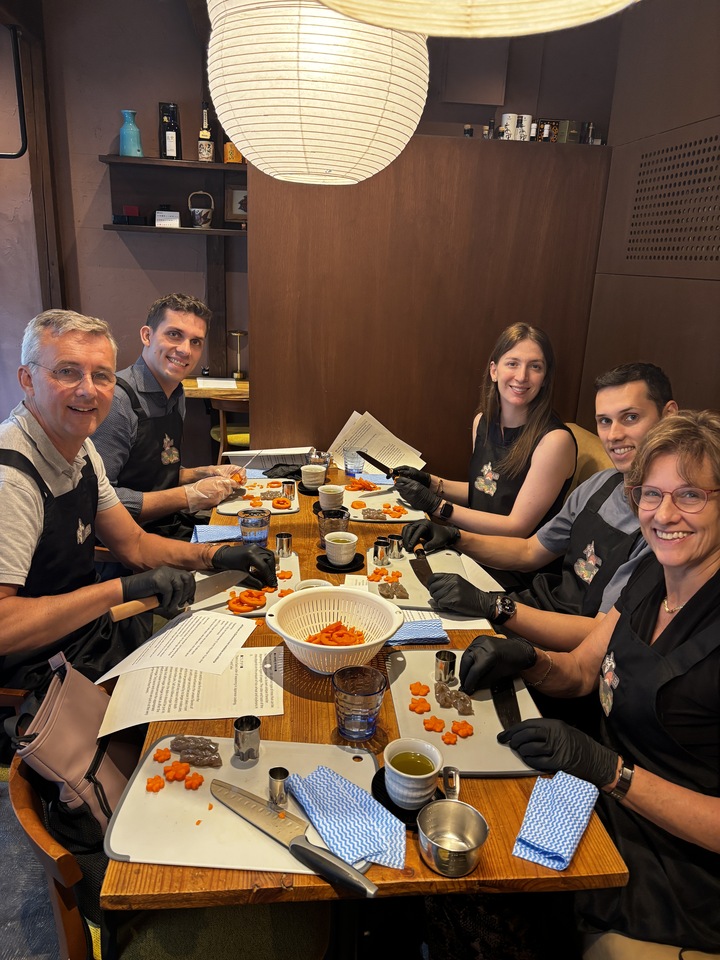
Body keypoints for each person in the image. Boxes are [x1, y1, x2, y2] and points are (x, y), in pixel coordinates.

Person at [456, 410, 720, 956]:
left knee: (490, 889)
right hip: (601, 793)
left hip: (676, 861)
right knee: (462, 824)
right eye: (651, 494)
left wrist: (610, 772)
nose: (664, 514)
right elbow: (581, 670)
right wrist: (527, 660)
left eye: (691, 496)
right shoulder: (653, 575)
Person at [0, 310, 275, 709]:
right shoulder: (11, 479)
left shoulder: (81, 449)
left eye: (101, 376)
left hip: (89, 634)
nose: (87, 390)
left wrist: (215, 555)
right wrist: (121, 589)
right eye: (67, 372)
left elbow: (134, 545)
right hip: (37, 672)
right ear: (27, 379)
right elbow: (4, 626)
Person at [403, 363, 678, 657]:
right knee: (408, 623)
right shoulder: (602, 484)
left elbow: (600, 633)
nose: (614, 435)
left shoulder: (668, 525)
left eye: (631, 417)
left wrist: (494, 606)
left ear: (669, 416)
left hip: (564, 649)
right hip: (534, 608)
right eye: (605, 421)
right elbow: (530, 551)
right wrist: (454, 537)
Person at [392, 323, 577, 543]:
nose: (522, 376)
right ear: (494, 371)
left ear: (545, 378)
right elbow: (486, 492)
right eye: (513, 363)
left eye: (535, 367)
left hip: (511, 559)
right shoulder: (482, 421)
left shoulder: (555, 441)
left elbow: (517, 528)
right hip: (472, 543)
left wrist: (437, 506)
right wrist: (430, 482)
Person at [91, 293, 243, 541]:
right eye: (174, 334)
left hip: (167, 523)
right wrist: (188, 496)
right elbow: (97, 499)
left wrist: (205, 473)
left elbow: (153, 473)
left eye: (196, 342)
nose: (185, 350)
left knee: (254, 531)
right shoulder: (117, 402)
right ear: (147, 336)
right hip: (128, 541)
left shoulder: (176, 393)